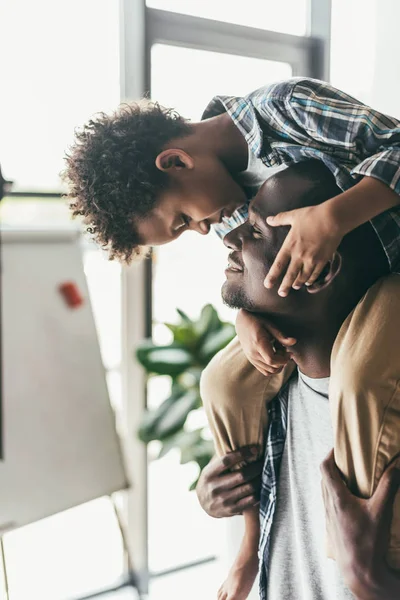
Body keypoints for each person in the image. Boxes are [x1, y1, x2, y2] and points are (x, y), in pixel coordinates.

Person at [63, 78, 400, 594]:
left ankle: (361, 553)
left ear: (175, 162)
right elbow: (252, 274)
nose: (202, 232)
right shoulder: (220, 199)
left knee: (359, 376)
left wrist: (334, 217)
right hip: (330, 313)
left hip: (391, 275)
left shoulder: (282, 110)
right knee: (223, 381)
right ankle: (250, 539)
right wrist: (246, 314)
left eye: (180, 221)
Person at [200, 160, 400, 600]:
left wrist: (377, 583)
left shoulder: (386, 405)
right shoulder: (264, 394)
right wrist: (226, 493)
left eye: (255, 231)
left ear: (320, 270)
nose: (231, 239)